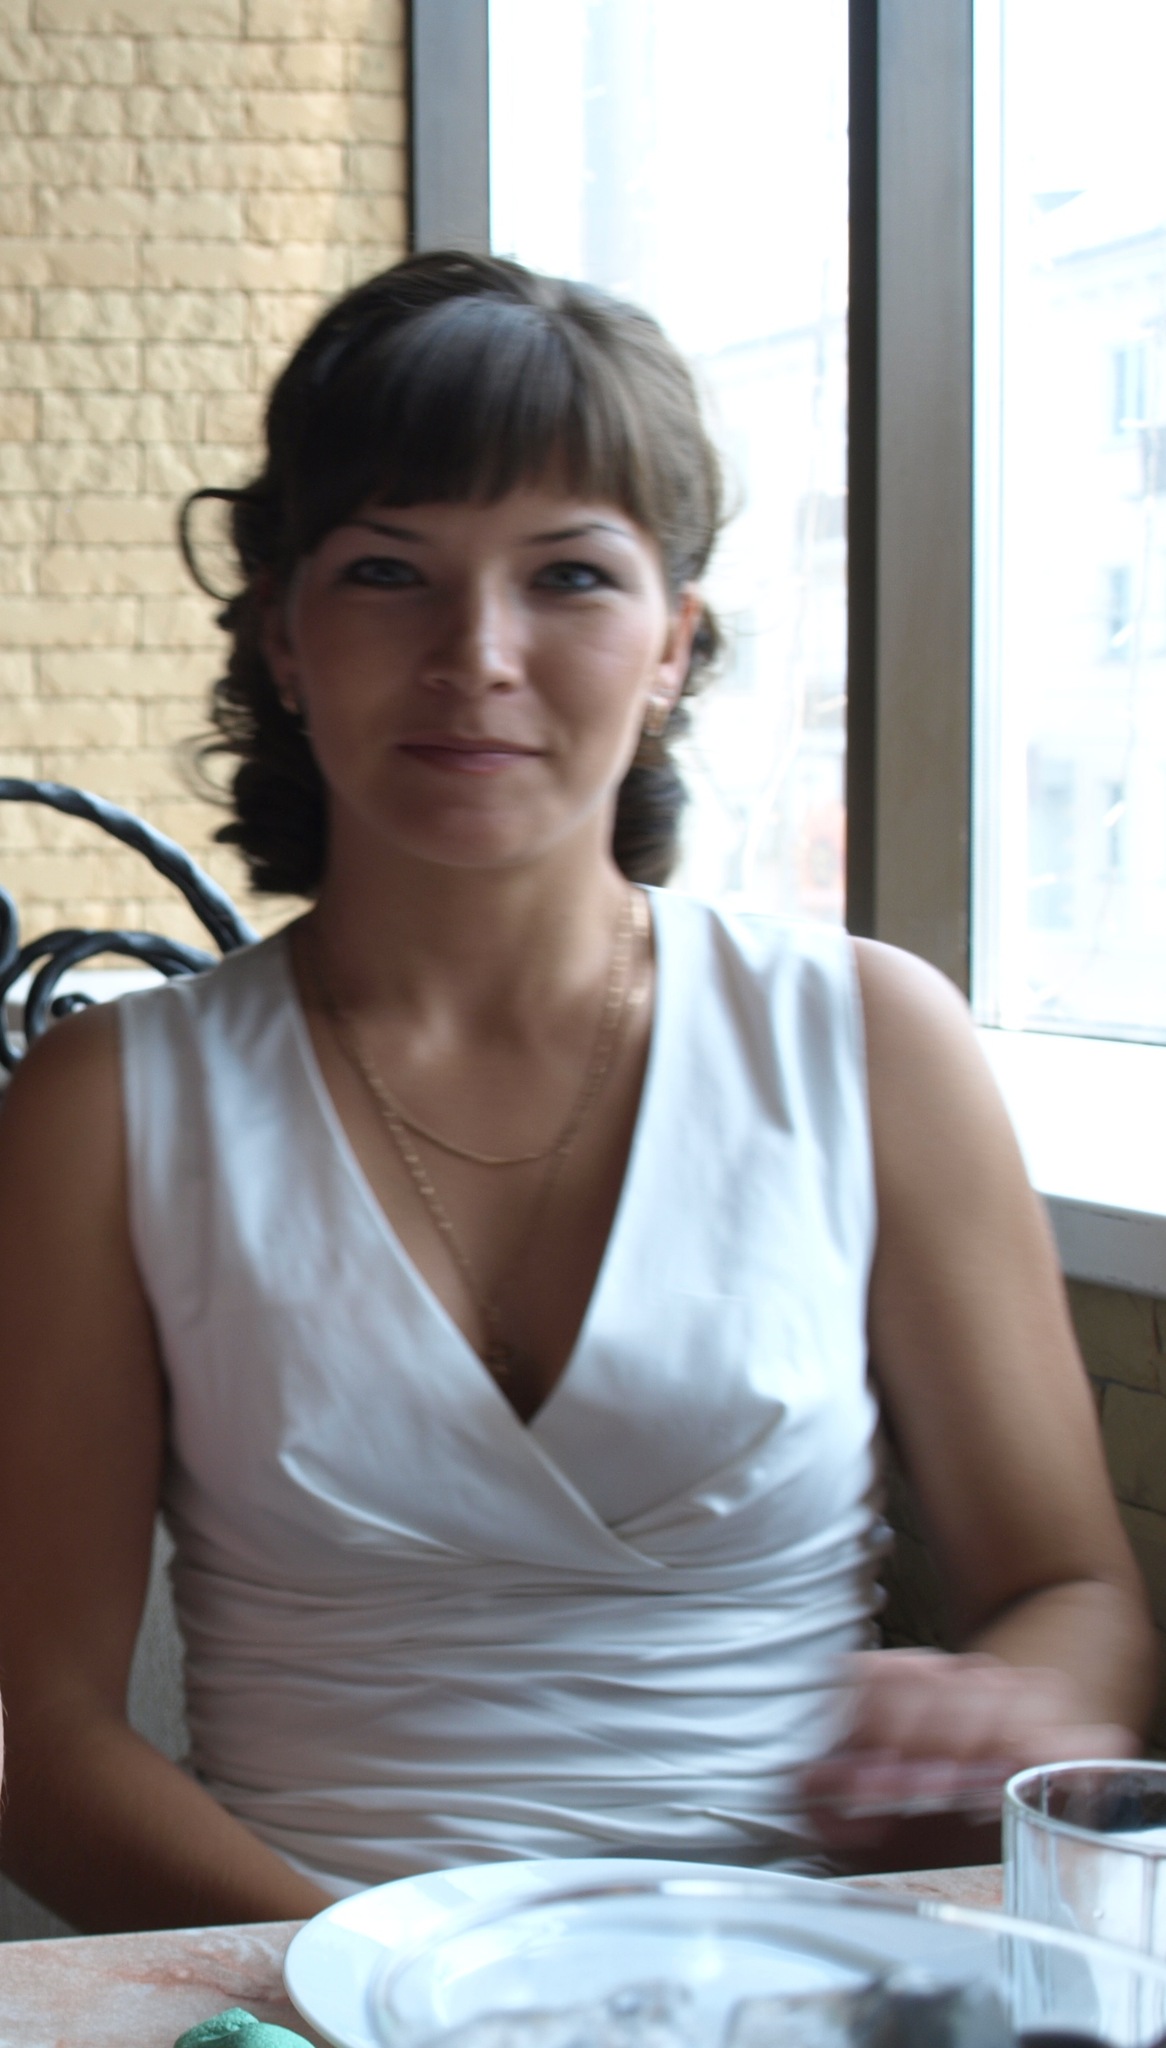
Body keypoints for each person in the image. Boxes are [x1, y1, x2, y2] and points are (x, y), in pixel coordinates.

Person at [0, 253, 1152, 1933]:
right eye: (387, 571)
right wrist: (384, 2002)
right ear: (284, 637)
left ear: (673, 643)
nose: (477, 653)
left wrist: (1011, 1706)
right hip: (298, 1985)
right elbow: (40, 1744)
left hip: (809, 1980)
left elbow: (1075, 1594)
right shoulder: (106, 1106)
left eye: (569, 577)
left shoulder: (869, 1042)